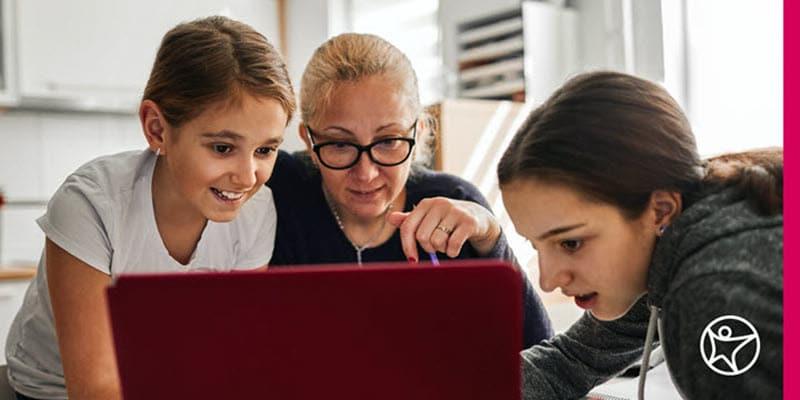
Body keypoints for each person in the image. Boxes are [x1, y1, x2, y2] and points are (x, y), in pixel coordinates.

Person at [5, 16, 295, 400]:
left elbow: (232, 349)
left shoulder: (257, 210)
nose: (246, 176)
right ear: (157, 129)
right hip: (50, 392)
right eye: (222, 148)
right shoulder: (91, 205)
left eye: (265, 150)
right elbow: (95, 389)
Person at [497, 71, 782, 399]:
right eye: (536, 246)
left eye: (570, 243)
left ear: (660, 210)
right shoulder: (671, 242)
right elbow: (569, 361)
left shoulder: (714, 291)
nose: (547, 281)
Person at [266, 33, 553, 348]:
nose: (366, 173)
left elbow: (540, 353)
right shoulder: (276, 186)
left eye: (388, 142)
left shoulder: (456, 207)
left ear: (418, 131)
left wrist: (491, 241)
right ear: (309, 140)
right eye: (339, 144)